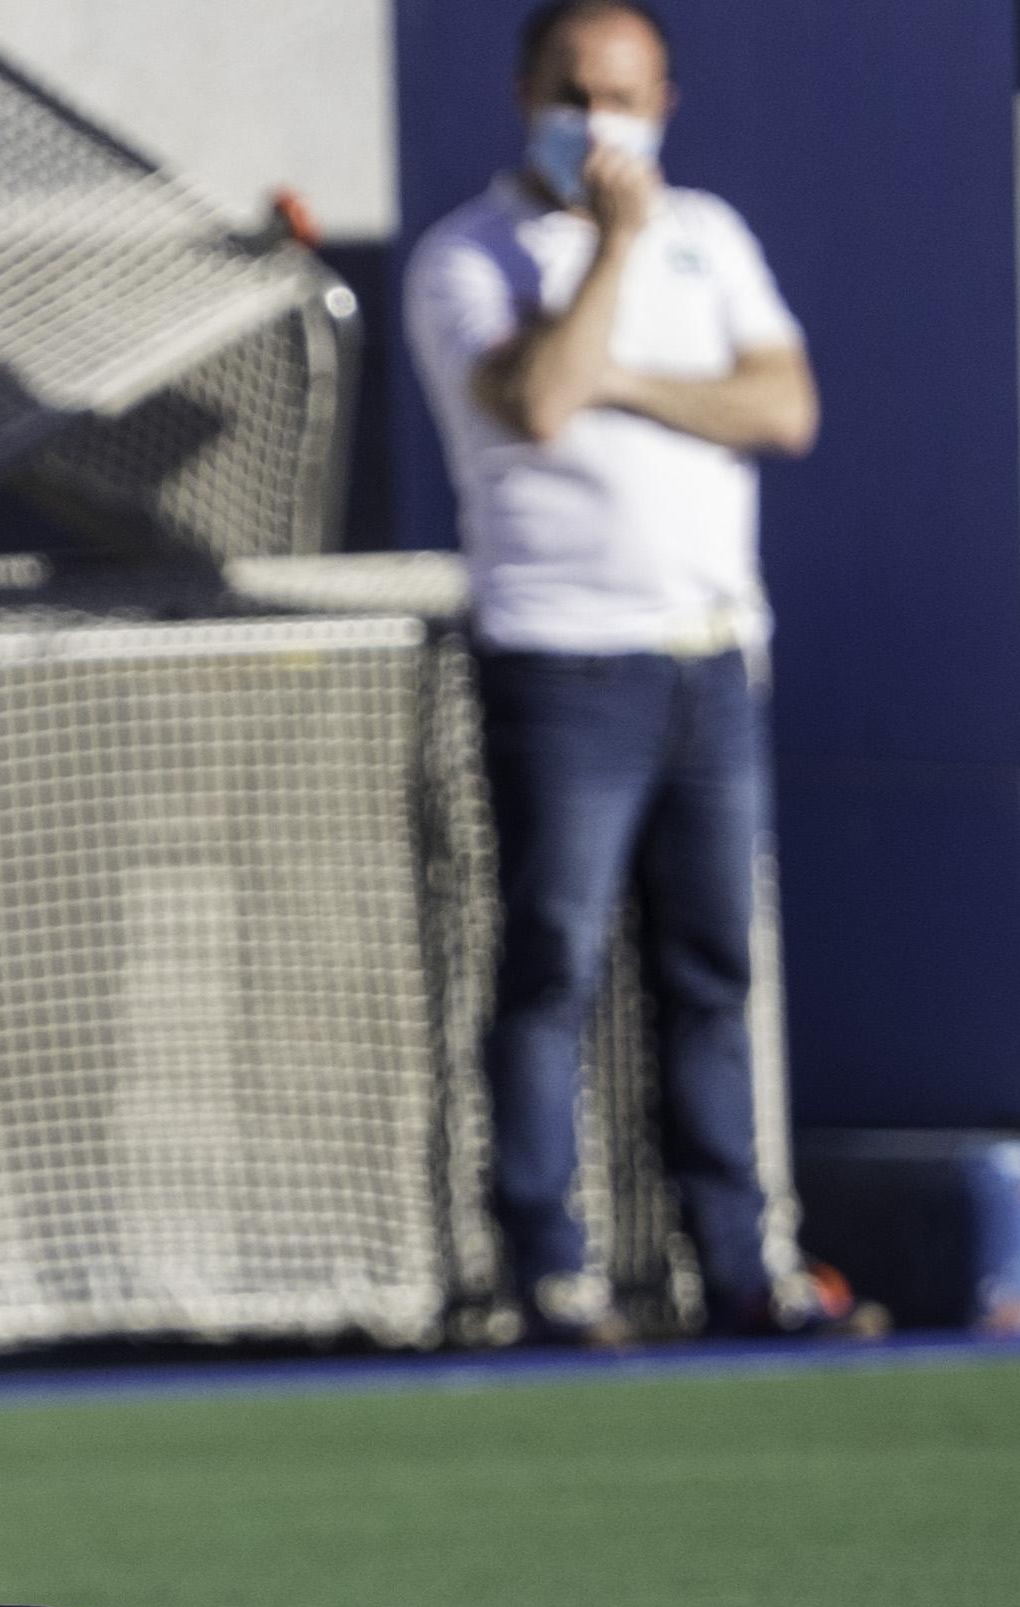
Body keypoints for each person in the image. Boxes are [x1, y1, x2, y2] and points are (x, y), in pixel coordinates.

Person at [404, 0, 870, 1342]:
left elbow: (782, 408)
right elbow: (542, 401)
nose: (600, 122)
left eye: (624, 94)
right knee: (550, 962)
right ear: (522, 92)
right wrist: (608, 257)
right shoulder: (467, 256)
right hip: (562, 664)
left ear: (665, 97)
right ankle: (547, 1262)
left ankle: (735, 1262)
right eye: (573, 91)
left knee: (713, 966)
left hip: (710, 657)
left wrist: (627, 379)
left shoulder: (710, 235)